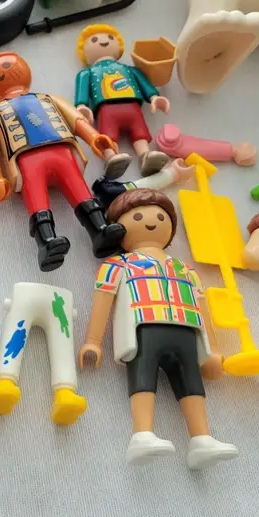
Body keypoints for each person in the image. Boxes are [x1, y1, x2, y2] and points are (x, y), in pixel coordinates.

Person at [78, 189, 238, 468]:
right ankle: (142, 435)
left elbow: (202, 308)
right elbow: (102, 301)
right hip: (144, 328)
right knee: (143, 376)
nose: (151, 222)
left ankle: (202, 440)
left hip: (186, 329)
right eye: (138, 217)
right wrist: (92, 341)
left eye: (161, 217)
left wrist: (212, 350)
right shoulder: (118, 265)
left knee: (191, 382)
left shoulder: (186, 270)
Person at [0, 51, 126, 271]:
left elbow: (75, 119)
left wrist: (94, 137)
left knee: (80, 191)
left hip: (62, 150)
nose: (0, 73)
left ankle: (100, 229)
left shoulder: (49, 98)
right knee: (36, 197)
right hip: (26, 159)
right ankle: (46, 242)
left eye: (8, 66)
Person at [74, 24, 170, 175]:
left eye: (110, 38)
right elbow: (82, 91)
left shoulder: (129, 69)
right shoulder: (87, 73)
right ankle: (111, 158)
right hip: (106, 109)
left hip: (132, 107)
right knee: (108, 135)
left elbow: (143, 83)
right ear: (83, 52)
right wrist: (81, 106)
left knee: (139, 132)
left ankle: (145, 156)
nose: (103, 41)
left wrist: (154, 96)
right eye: (94, 40)